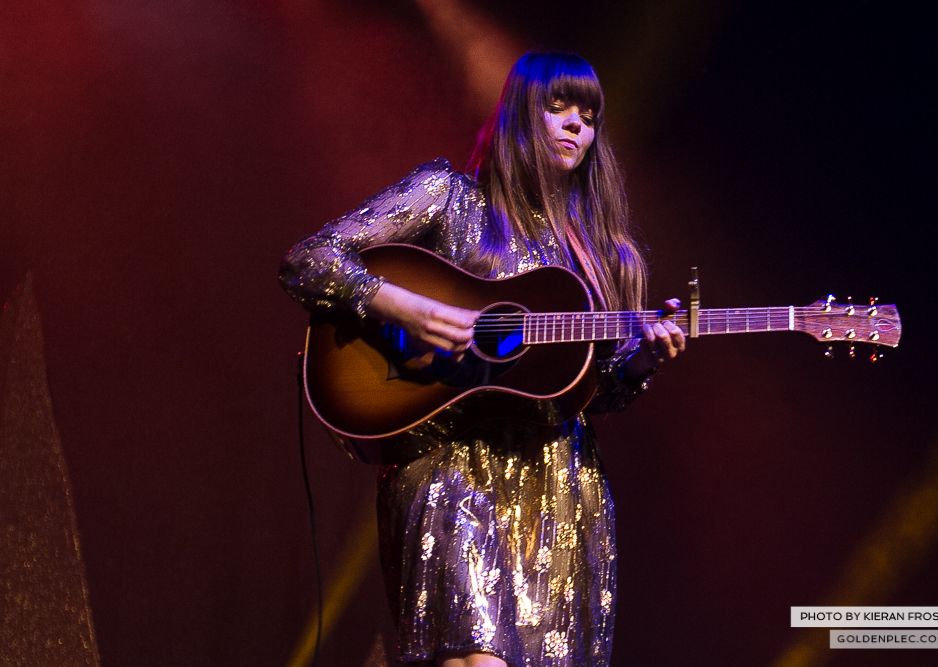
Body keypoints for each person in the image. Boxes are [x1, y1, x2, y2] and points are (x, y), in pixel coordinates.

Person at [280, 52, 685, 667]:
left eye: (590, 115)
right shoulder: (447, 198)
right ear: (522, 113)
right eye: (560, 107)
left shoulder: (609, 255)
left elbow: (596, 392)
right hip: (447, 464)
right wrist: (407, 308)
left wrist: (639, 365)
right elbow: (310, 259)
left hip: (556, 488)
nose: (578, 124)